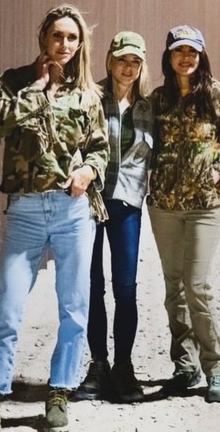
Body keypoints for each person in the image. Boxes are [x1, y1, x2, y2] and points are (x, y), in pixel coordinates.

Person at [0, 4, 108, 432]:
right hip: (27, 211)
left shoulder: (89, 93)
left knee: (74, 307)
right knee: (8, 308)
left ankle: (59, 391)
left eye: (72, 37)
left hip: (72, 211)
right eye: (57, 36)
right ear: (43, 38)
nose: (64, 45)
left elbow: (101, 148)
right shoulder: (15, 81)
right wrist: (40, 86)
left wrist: (88, 171)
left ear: (81, 42)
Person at [147, 25, 220, 403]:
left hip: (204, 206)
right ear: (169, 57)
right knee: (173, 288)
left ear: (202, 56)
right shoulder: (158, 99)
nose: (186, 58)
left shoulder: (218, 94)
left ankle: (217, 367)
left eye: (192, 52)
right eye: (179, 51)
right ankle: (185, 364)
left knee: (197, 287)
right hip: (163, 205)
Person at [74, 31, 153, 403]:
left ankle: (124, 366)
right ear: (109, 60)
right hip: (90, 203)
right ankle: (99, 365)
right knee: (92, 285)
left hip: (126, 204)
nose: (128, 67)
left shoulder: (149, 107)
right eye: (122, 59)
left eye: (135, 61)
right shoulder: (90, 97)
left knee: (125, 287)